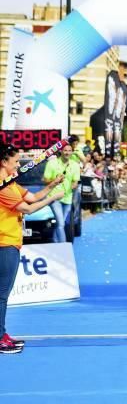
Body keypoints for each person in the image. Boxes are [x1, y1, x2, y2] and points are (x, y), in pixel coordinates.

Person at [0, 143, 65, 353]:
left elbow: (33, 197)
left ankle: (2, 333)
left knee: (3, 294)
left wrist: (52, 185)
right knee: (1, 294)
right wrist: (54, 198)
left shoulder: (11, 185)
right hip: (4, 244)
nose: (18, 165)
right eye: (16, 161)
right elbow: (27, 208)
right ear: (4, 162)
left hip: (12, 243)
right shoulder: (3, 187)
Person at [43, 144, 81, 243]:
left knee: (60, 223)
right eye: (65, 150)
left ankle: (56, 244)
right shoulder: (52, 163)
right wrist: (55, 180)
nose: (67, 152)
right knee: (61, 224)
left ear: (72, 152)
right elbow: (45, 179)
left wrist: (71, 187)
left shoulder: (75, 165)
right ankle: (63, 246)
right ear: (60, 151)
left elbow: (75, 181)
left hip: (67, 198)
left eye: (69, 150)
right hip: (54, 197)